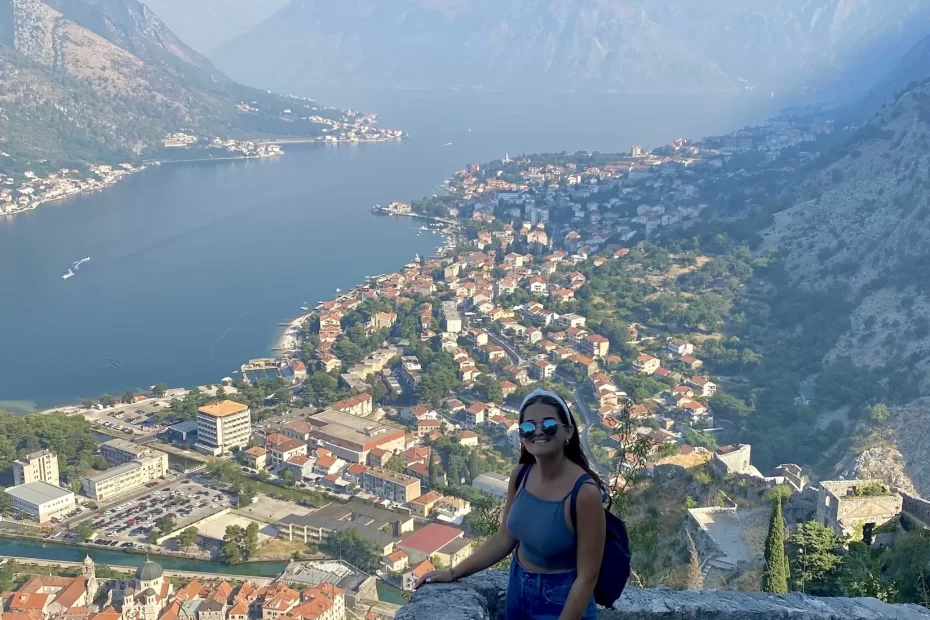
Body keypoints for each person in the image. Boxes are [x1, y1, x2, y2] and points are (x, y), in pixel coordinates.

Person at [414, 388, 607, 620]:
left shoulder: (584, 493)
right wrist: (454, 572)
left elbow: (588, 576)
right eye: (527, 427)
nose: (538, 432)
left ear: (568, 432)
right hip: (518, 589)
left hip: (562, 600)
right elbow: (505, 538)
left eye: (548, 425)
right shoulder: (521, 475)